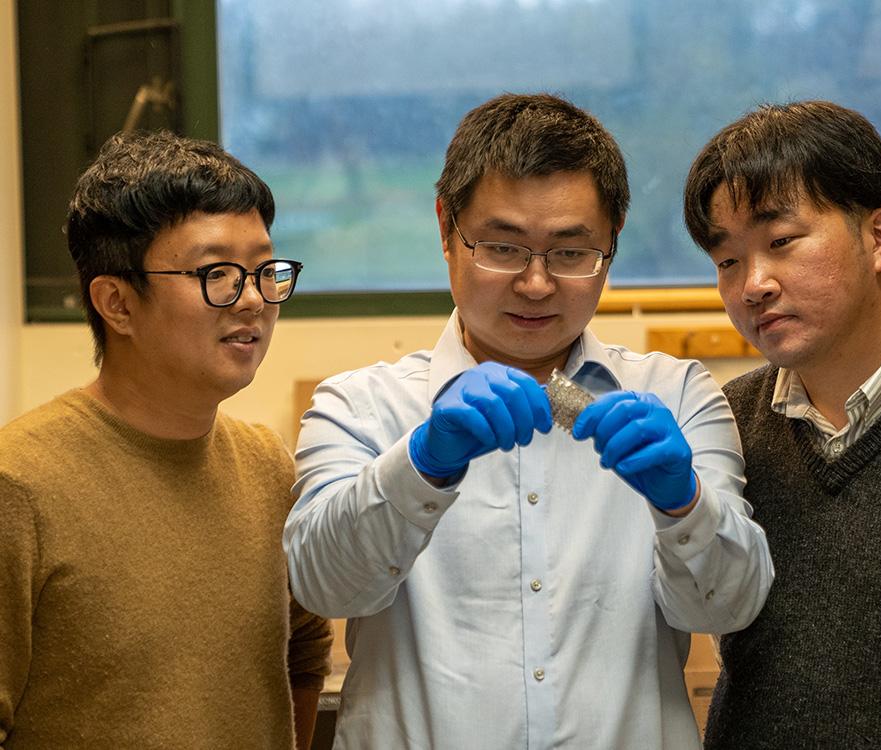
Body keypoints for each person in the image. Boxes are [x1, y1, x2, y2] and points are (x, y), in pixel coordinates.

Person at [284, 93, 773, 749]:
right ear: (444, 228)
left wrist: (684, 505)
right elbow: (324, 584)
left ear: (612, 243)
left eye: (571, 253)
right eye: (503, 247)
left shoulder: (678, 396)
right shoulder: (361, 407)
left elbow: (729, 609)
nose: (536, 284)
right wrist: (421, 465)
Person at [0, 131, 332, 749]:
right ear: (117, 303)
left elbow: (305, 653)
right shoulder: (20, 483)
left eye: (265, 270)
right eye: (217, 275)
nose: (254, 299)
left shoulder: (266, 466)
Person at [683, 100, 881, 748]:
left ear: (880, 237)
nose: (753, 285)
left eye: (780, 242)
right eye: (727, 261)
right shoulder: (727, 422)